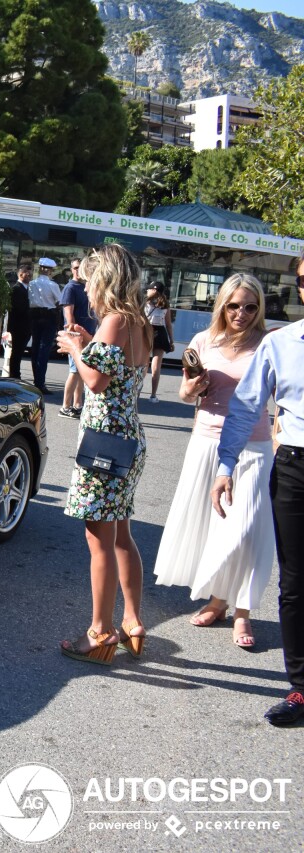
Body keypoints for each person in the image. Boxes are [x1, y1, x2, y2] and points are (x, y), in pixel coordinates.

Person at [210, 252, 304, 727]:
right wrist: (225, 465)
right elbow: (246, 407)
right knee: (295, 582)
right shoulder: (281, 344)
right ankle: (301, 690)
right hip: (295, 467)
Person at [155, 274, 272, 650]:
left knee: (247, 531)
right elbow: (186, 394)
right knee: (213, 527)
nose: (242, 313)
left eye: (250, 306)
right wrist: (192, 387)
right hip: (206, 441)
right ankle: (219, 600)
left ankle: (243, 611)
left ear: (260, 309)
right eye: (234, 305)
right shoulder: (204, 341)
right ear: (222, 305)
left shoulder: (269, 344)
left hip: (254, 447)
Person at [56, 243, 152, 666]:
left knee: (99, 543)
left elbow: (95, 382)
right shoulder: (139, 322)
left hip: (104, 443)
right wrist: (89, 341)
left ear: (106, 280)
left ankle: (100, 632)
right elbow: (118, 369)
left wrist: (76, 350)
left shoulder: (115, 320)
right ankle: (132, 621)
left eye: (91, 279)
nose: (87, 288)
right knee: (121, 535)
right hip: (128, 438)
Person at [58, 256, 97, 419]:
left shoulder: (86, 286)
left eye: (80, 267)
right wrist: (73, 336)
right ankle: (65, 407)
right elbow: (68, 315)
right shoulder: (70, 288)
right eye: (75, 268)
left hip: (88, 334)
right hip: (77, 336)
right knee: (74, 371)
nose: (78, 271)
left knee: (82, 371)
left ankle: (77, 404)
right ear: (71, 269)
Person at [28, 257, 63, 394]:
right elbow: (59, 301)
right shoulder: (53, 285)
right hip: (48, 316)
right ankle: (40, 383)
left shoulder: (32, 284)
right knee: (44, 350)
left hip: (34, 315)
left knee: (35, 348)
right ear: (50, 271)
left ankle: (36, 379)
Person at [145, 281, 174, 401]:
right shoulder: (165, 305)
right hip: (160, 333)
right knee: (156, 367)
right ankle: (153, 395)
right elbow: (168, 324)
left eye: (149, 289)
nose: (147, 291)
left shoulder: (144, 303)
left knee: (143, 365)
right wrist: (171, 340)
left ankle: (136, 392)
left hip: (146, 332)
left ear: (152, 290)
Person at [6, 267, 31, 380]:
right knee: (16, 353)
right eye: (27, 273)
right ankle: (14, 376)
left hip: (24, 327)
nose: (29, 275)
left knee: (19, 353)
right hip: (19, 327)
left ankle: (15, 374)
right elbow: (19, 309)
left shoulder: (26, 288)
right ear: (20, 275)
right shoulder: (16, 289)